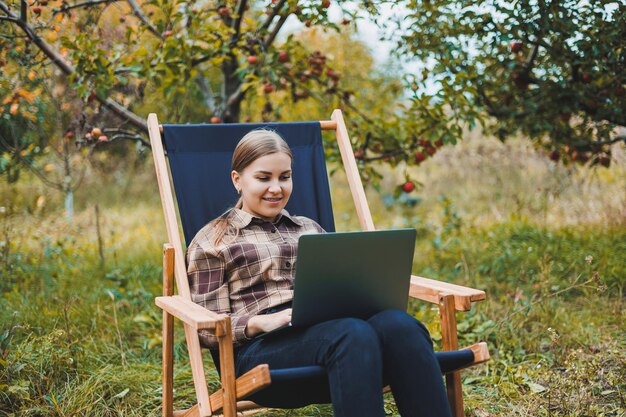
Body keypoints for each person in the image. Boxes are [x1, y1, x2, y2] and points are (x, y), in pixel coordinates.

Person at [186, 129, 452, 417]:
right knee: (352, 334)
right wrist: (262, 322)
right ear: (237, 180)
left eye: (284, 177)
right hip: (260, 353)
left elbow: (343, 285)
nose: (276, 188)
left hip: (330, 332)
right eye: (263, 178)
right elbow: (206, 329)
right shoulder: (214, 240)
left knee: (400, 325)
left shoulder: (308, 228)